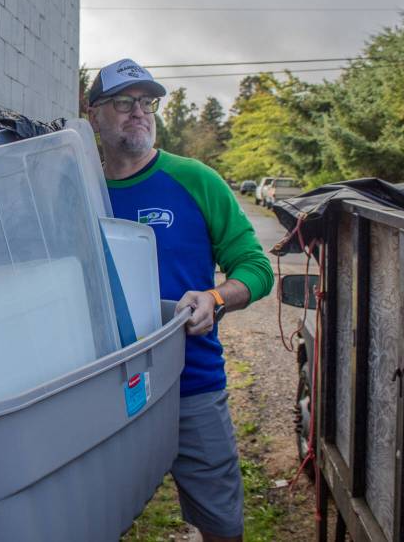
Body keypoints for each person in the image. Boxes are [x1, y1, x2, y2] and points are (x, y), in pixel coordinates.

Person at [87, 59, 274, 542]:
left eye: (147, 103)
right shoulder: (79, 191)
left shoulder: (195, 179)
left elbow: (255, 269)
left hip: (191, 385)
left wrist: (216, 297)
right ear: (93, 116)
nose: (139, 113)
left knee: (221, 526)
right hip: (103, 394)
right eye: (123, 102)